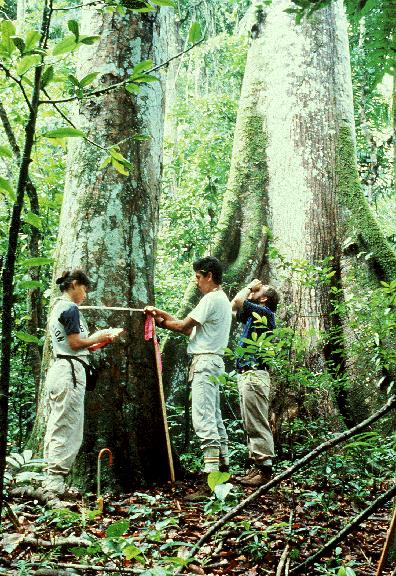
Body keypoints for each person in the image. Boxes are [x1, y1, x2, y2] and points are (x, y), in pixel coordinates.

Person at [145, 256, 232, 497]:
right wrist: (160, 313)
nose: (196, 282)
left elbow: (184, 327)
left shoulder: (211, 298)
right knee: (214, 418)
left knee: (204, 420)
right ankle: (224, 472)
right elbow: (189, 325)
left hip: (205, 363)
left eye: (198, 277)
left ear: (209, 276)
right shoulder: (221, 299)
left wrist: (159, 322)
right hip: (214, 362)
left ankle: (211, 481)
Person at [42, 269, 115, 498]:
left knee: (58, 422)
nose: (85, 294)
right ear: (74, 284)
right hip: (69, 371)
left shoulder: (57, 308)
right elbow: (74, 343)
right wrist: (100, 335)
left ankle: (52, 478)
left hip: (62, 368)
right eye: (84, 288)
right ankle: (54, 483)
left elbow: (76, 344)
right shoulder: (70, 308)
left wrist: (98, 342)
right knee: (68, 426)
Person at [231, 279, 280, 487]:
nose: (254, 291)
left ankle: (265, 470)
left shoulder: (266, 314)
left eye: (259, 290)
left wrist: (250, 286)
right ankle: (257, 466)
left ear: (264, 298)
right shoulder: (253, 315)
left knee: (257, 421)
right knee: (250, 421)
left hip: (256, 373)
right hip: (246, 373)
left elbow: (237, 300)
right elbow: (234, 308)